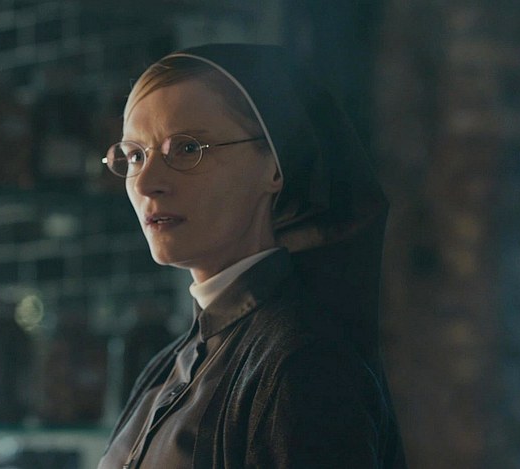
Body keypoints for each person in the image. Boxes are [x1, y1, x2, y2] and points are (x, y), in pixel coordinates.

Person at [98, 43, 407, 468]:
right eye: (135, 155)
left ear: (275, 166)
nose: (146, 182)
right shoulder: (165, 366)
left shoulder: (304, 366)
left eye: (187, 149)